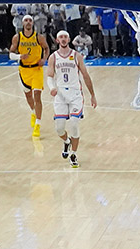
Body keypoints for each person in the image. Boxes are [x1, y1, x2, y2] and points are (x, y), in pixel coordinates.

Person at [46, 29, 95, 169]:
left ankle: (73, 154)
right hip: (60, 95)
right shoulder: (53, 57)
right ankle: (67, 141)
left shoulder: (76, 55)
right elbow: (49, 75)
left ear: (68, 40)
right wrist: (52, 87)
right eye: (60, 37)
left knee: (74, 123)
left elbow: (85, 75)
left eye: (65, 37)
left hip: (75, 94)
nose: (63, 39)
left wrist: (92, 94)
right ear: (57, 40)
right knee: (59, 129)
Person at [11, 14, 47, 138]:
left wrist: (44, 59)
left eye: (30, 20)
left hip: (36, 69)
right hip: (24, 70)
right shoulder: (17, 38)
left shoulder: (39, 37)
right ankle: (33, 112)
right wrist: (19, 56)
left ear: (32, 23)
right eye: (26, 20)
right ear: (22, 23)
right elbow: (10, 54)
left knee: (37, 95)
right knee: (28, 96)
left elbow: (46, 48)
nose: (28, 22)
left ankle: (38, 124)